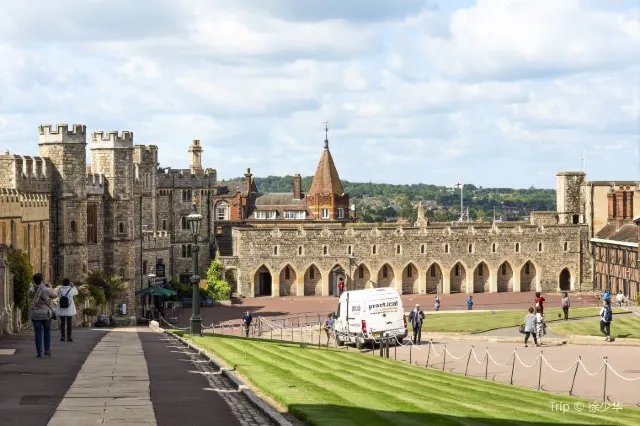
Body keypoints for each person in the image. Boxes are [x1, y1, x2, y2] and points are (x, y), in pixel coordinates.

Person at [28, 273, 58, 358]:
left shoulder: (32, 290)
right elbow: (55, 295)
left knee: (38, 333)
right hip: (46, 314)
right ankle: (47, 350)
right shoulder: (46, 289)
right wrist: (50, 287)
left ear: (34, 280)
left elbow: (29, 295)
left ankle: (39, 352)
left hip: (36, 314)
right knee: (47, 332)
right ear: (41, 280)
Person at [56, 278, 78, 342]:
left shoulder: (59, 289)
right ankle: (69, 337)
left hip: (61, 308)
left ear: (62, 283)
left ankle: (62, 337)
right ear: (69, 283)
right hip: (69, 309)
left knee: (62, 323)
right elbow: (76, 292)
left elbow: (55, 294)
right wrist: (73, 285)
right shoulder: (71, 290)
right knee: (69, 323)